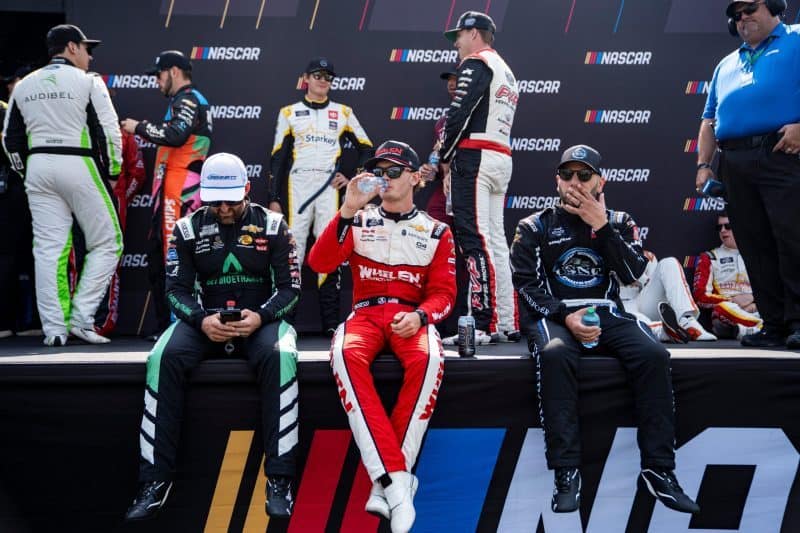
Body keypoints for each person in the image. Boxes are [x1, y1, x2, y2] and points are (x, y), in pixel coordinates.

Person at [510, 144, 699, 515]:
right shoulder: (533, 225)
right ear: (557, 180)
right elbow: (526, 286)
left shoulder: (620, 221)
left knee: (654, 355)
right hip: (555, 315)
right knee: (555, 355)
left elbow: (633, 276)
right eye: (567, 174)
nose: (575, 182)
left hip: (606, 310)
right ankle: (566, 472)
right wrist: (565, 316)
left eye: (584, 175)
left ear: (601, 181)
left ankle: (659, 469)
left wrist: (602, 226)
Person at [124, 153, 300, 521]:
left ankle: (280, 480)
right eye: (215, 200)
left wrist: (261, 316)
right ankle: (154, 481)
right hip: (205, 320)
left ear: (247, 189)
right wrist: (202, 320)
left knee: (281, 355)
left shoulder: (274, 226)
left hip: (261, 319)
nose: (222, 208)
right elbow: (175, 290)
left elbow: (291, 289)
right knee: (161, 357)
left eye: (231, 200)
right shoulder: (186, 228)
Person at [308, 141, 455, 533]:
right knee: (344, 355)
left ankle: (384, 483)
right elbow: (319, 263)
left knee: (430, 359)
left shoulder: (437, 231)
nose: (384, 178)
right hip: (366, 314)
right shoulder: (358, 219)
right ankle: (398, 483)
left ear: (416, 178)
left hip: (410, 318)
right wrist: (347, 209)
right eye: (378, 172)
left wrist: (421, 315)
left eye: (393, 171)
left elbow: (445, 295)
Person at [2, 24, 122, 347]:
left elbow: (10, 140)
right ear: (71, 47)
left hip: (38, 168)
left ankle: (54, 330)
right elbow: (109, 131)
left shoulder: (25, 85)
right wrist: (113, 171)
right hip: (78, 162)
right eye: (86, 49)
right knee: (109, 241)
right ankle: (81, 319)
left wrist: (27, 172)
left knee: (48, 250)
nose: (89, 57)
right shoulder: (89, 81)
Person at [696, 0, 800, 349]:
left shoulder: (797, 39)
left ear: (775, 7)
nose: (742, 18)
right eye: (736, 15)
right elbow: (708, 120)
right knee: (755, 246)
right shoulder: (725, 64)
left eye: (750, 9)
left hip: (782, 153)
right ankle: (774, 325)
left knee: (793, 239)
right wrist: (704, 165)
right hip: (734, 161)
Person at [269, 57, 373, 335]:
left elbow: (366, 148)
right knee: (294, 252)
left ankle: (330, 325)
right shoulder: (289, 113)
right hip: (298, 186)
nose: (323, 81)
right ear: (305, 79)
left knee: (329, 250)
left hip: (329, 187)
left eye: (328, 77)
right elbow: (278, 159)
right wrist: (274, 197)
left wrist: (352, 179)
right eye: (317, 75)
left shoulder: (344, 112)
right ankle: (287, 322)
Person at [439, 11, 520, 344]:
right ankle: (506, 321)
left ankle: (483, 324)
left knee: (475, 239)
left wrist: (444, 155)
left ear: (474, 33)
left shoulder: (476, 62)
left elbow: (460, 111)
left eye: (458, 35)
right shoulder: (506, 69)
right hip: (500, 156)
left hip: (476, 157)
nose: (455, 44)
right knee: (496, 240)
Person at [121, 50, 212, 336]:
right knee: (161, 257)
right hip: (171, 189)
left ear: (173, 71)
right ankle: (169, 327)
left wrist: (138, 127)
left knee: (174, 256)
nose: (157, 81)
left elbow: (175, 136)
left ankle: (179, 326)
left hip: (180, 188)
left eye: (159, 74)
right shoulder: (184, 100)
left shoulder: (188, 99)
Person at [69, 125, 145, 336]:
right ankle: (74, 322)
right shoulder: (73, 129)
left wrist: (119, 199)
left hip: (110, 206)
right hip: (79, 204)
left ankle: (103, 322)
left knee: (108, 263)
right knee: (76, 262)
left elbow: (137, 174)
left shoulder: (123, 134)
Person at [619, 250, 716, 343]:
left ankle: (686, 320)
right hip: (619, 304)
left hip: (641, 300)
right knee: (629, 323)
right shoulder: (610, 250)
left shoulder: (648, 256)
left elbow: (650, 283)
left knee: (669, 262)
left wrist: (640, 277)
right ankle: (667, 331)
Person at [693, 213, 763, 340]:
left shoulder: (758, 254)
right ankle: (764, 328)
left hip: (757, 308)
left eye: (728, 226)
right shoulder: (710, 257)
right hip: (727, 312)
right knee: (721, 309)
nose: (723, 230)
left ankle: (747, 330)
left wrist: (753, 300)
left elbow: (772, 289)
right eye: (719, 227)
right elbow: (700, 296)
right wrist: (732, 301)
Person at [417, 69, 457, 226]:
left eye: (456, 80)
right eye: (449, 80)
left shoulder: (478, 116)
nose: (451, 84)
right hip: (446, 188)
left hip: (471, 183)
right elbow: (438, 152)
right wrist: (432, 170)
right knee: (433, 225)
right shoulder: (442, 122)